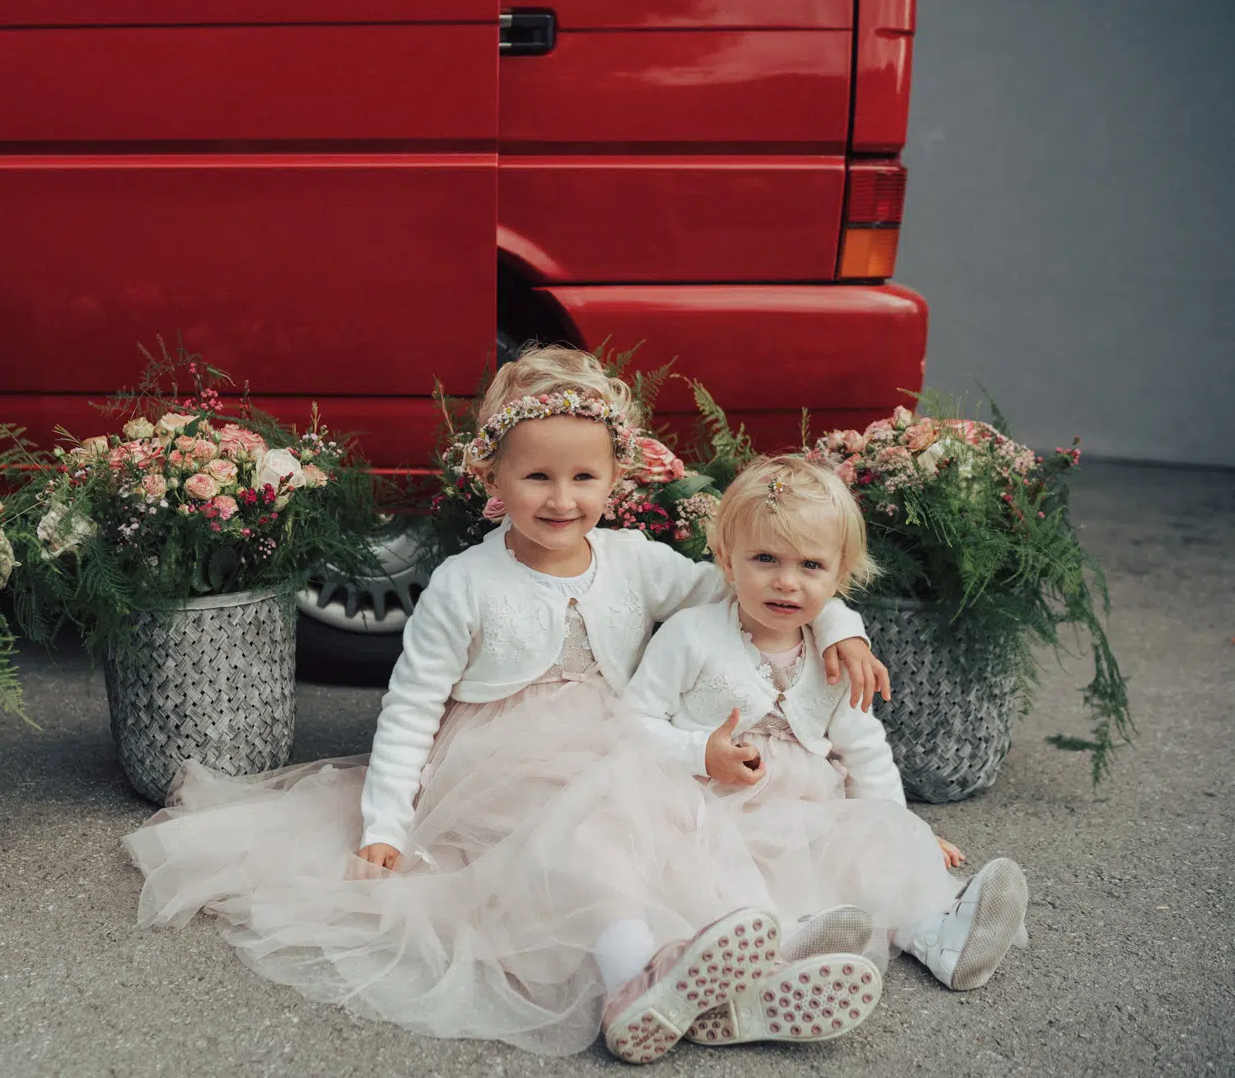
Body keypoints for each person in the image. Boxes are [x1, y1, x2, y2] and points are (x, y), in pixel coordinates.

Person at [124, 346, 891, 1061]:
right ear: (492, 479)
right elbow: (411, 705)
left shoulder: (633, 560)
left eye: (584, 479)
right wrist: (386, 822)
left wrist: (839, 626)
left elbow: (749, 591)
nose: (563, 500)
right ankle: (635, 981)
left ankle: (740, 970)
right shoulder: (466, 582)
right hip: (504, 759)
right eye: (537, 479)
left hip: (623, 739)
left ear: (615, 478)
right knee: (589, 840)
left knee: (684, 828)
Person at [621, 455, 1029, 1004]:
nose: (786, 582)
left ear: (839, 574)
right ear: (724, 557)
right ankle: (785, 947)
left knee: (868, 858)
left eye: (810, 566)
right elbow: (633, 722)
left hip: (813, 810)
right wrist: (701, 752)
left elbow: (865, 750)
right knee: (726, 881)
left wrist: (901, 830)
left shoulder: (833, 654)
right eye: (764, 558)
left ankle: (938, 936)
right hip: (714, 809)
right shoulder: (691, 636)